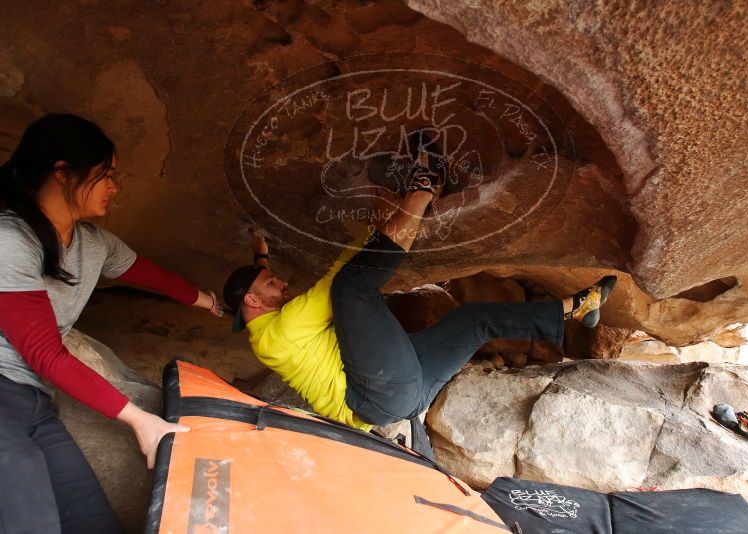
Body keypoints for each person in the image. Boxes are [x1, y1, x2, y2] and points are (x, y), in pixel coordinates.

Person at [223, 147, 616, 431]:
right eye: (272, 283)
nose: (283, 282)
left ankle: (571, 309)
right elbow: (337, 285)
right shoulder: (282, 330)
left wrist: (260, 253)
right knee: (350, 289)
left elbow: (258, 283)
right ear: (254, 302)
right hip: (378, 396)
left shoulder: (265, 328)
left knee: (473, 320)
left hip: (407, 391)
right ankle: (423, 189)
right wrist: (374, 230)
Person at [0, 114, 223, 533]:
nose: (115, 187)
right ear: (62, 173)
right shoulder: (10, 241)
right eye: (105, 175)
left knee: (94, 522)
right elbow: (45, 354)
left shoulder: (93, 244)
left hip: (36, 404)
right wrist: (141, 420)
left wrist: (208, 302)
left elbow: (152, 276)